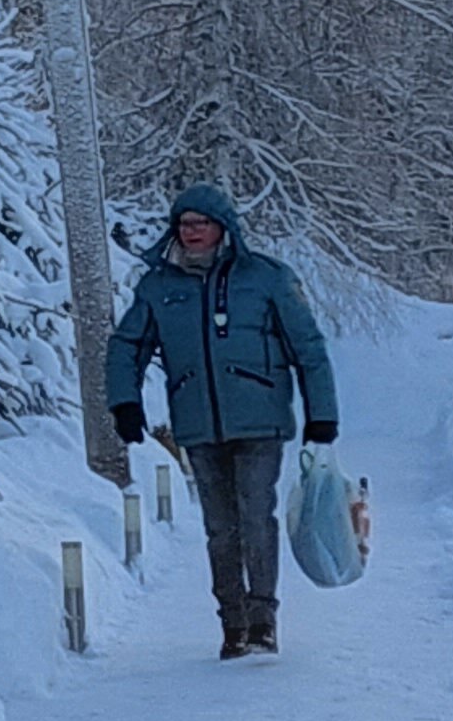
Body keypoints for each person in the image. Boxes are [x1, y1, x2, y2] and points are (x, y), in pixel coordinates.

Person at [104, 182, 338, 660]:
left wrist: (323, 418)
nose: (192, 232)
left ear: (223, 227)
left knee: (256, 518)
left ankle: (262, 619)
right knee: (219, 527)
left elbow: (309, 349)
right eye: (184, 224)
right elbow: (126, 347)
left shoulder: (266, 278)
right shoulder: (158, 286)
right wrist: (124, 405)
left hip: (260, 421)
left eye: (201, 223)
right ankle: (231, 624)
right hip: (198, 423)